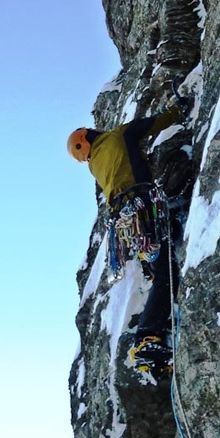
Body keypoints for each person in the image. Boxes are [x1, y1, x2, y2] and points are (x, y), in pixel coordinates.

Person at [67, 102, 189, 379]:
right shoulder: (116, 136)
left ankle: (155, 331)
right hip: (143, 207)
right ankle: (147, 337)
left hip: (127, 223)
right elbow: (150, 125)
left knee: (160, 267)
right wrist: (176, 111)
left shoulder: (95, 166)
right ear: (88, 135)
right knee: (165, 273)